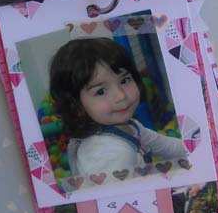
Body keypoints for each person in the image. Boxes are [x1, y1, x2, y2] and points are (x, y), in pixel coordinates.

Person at [49, 37, 187, 179]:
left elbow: (166, 146)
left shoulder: (130, 126)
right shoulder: (110, 155)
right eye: (101, 91)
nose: (121, 95)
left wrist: (197, 148)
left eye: (124, 80)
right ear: (76, 106)